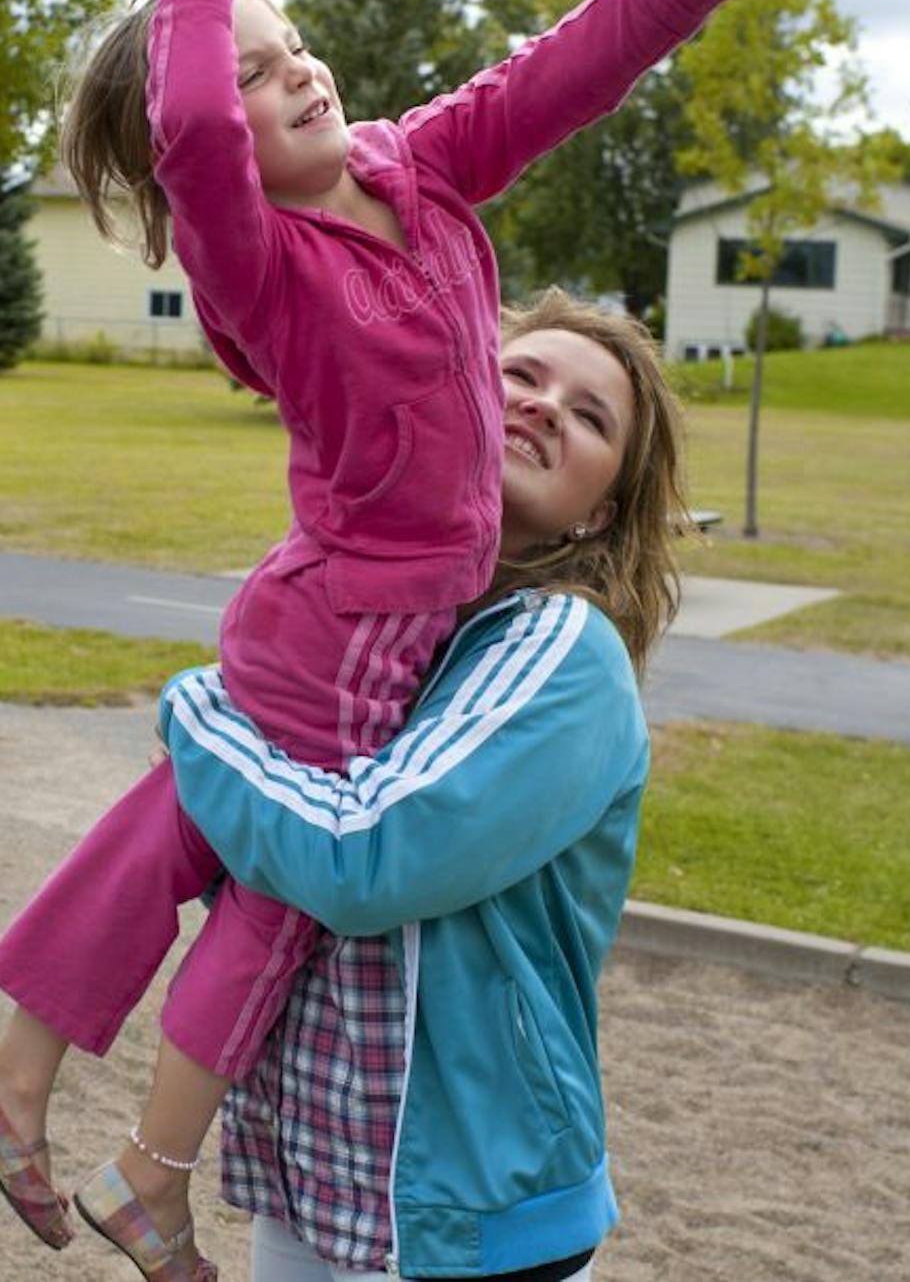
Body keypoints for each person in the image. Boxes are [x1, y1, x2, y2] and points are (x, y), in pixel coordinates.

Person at [0, 0, 825, 1271]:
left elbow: (569, 68)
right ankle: (148, 1173)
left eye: (297, 49)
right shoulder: (264, 265)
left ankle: (20, 1075)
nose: (303, 76)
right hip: (354, 616)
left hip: (349, 610)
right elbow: (190, 130)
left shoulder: (419, 169)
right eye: (257, 73)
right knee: (291, 871)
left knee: (185, 820)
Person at [176, 293, 686, 1281]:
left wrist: (198, 708)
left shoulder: (564, 649)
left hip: (465, 1212)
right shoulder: (389, 629)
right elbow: (255, 867)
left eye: (590, 416)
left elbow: (360, 859)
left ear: (599, 510)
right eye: (522, 375)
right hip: (319, 1162)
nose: (543, 406)